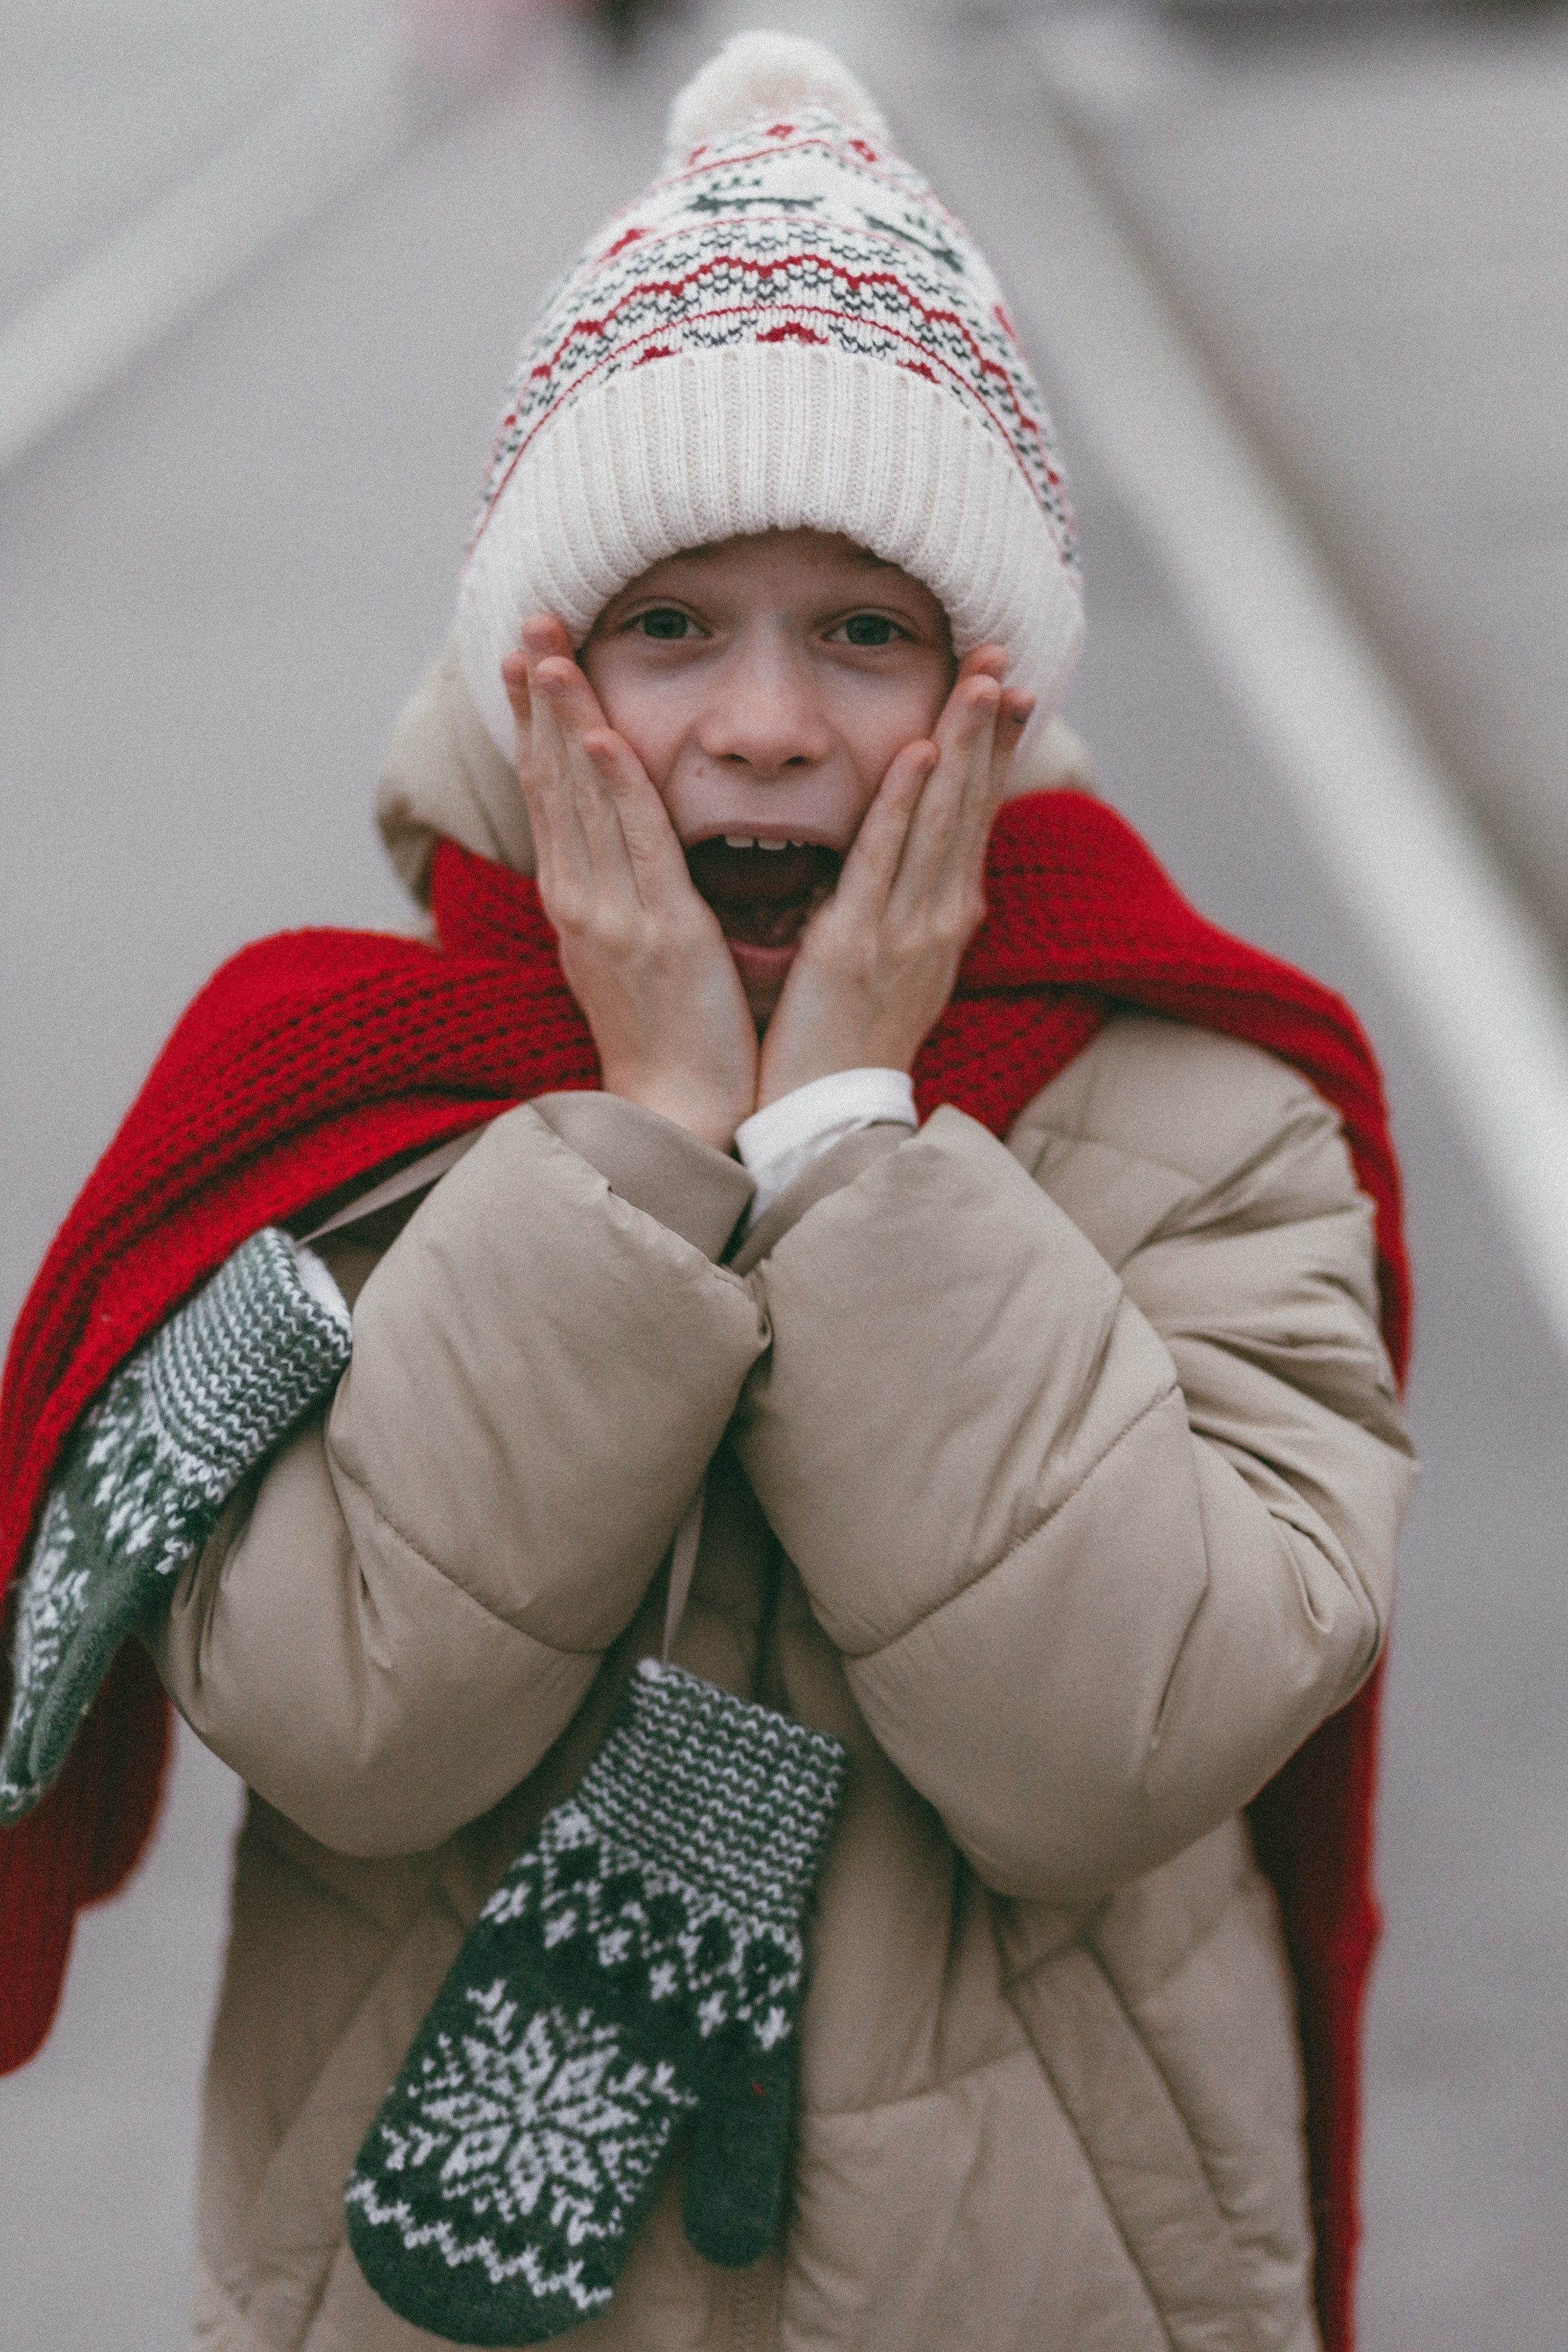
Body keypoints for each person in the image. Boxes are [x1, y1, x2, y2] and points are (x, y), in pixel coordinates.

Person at [0, 32, 1415, 2352]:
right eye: (672, 626)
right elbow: (345, 1710)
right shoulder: (355, 1095)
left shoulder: (1201, 1108)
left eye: (863, 630)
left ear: (987, 680)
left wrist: (853, 1143)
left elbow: (1132, 1738)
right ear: (539, 669)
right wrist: (644, 1142)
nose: (764, 722)